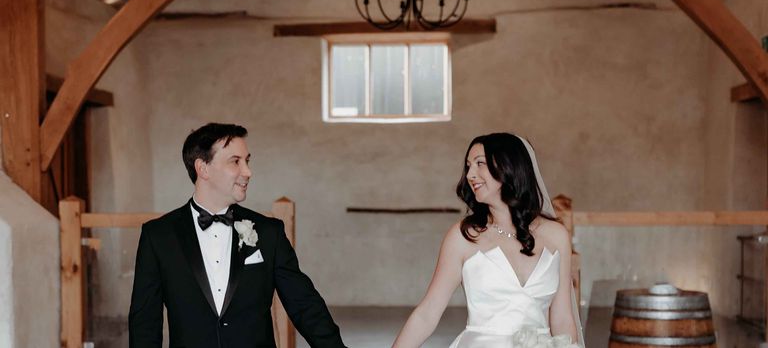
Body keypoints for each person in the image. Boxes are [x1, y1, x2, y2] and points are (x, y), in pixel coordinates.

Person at [128, 122, 346, 348]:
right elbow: (144, 324)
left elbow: (305, 305)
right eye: (235, 162)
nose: (247, 172)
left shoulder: (268, 232)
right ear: (203, 168)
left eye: (247, 161)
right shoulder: (158, 236)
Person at [392, 132, 582, 348]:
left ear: (509, 166)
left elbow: (563, 319)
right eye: (468, 166)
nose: (470, 174)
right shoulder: (463, 237)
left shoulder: (556, 236)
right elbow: (428, 313)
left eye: (479, 163)